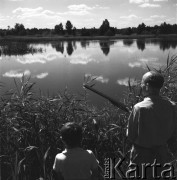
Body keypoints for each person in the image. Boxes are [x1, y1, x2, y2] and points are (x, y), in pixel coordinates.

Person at [127, 71, 177, 179]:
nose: (141, 86)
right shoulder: (173, 106)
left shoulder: (139, 108)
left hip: (141, 156)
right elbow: (174, 132)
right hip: (162, 154)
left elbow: (130, 136)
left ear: (147, 86)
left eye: (142, 83)